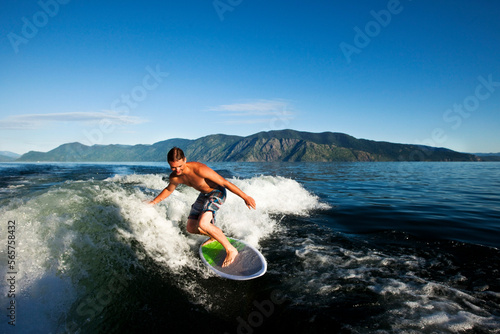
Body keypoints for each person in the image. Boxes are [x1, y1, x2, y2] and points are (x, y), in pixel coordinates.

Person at [149, 147, 256, 267]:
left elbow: (224, 183)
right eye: (173, 167)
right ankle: (214, 236)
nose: (177, 170)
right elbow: (169, 189)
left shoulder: (199, 169)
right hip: (204, 195)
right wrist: (153, 202)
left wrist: (245, 197)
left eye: (180, 166)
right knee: (190, 228)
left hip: (217, 192)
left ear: (185, 160)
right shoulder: (175, 177)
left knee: (203, 224)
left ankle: (231, 250)